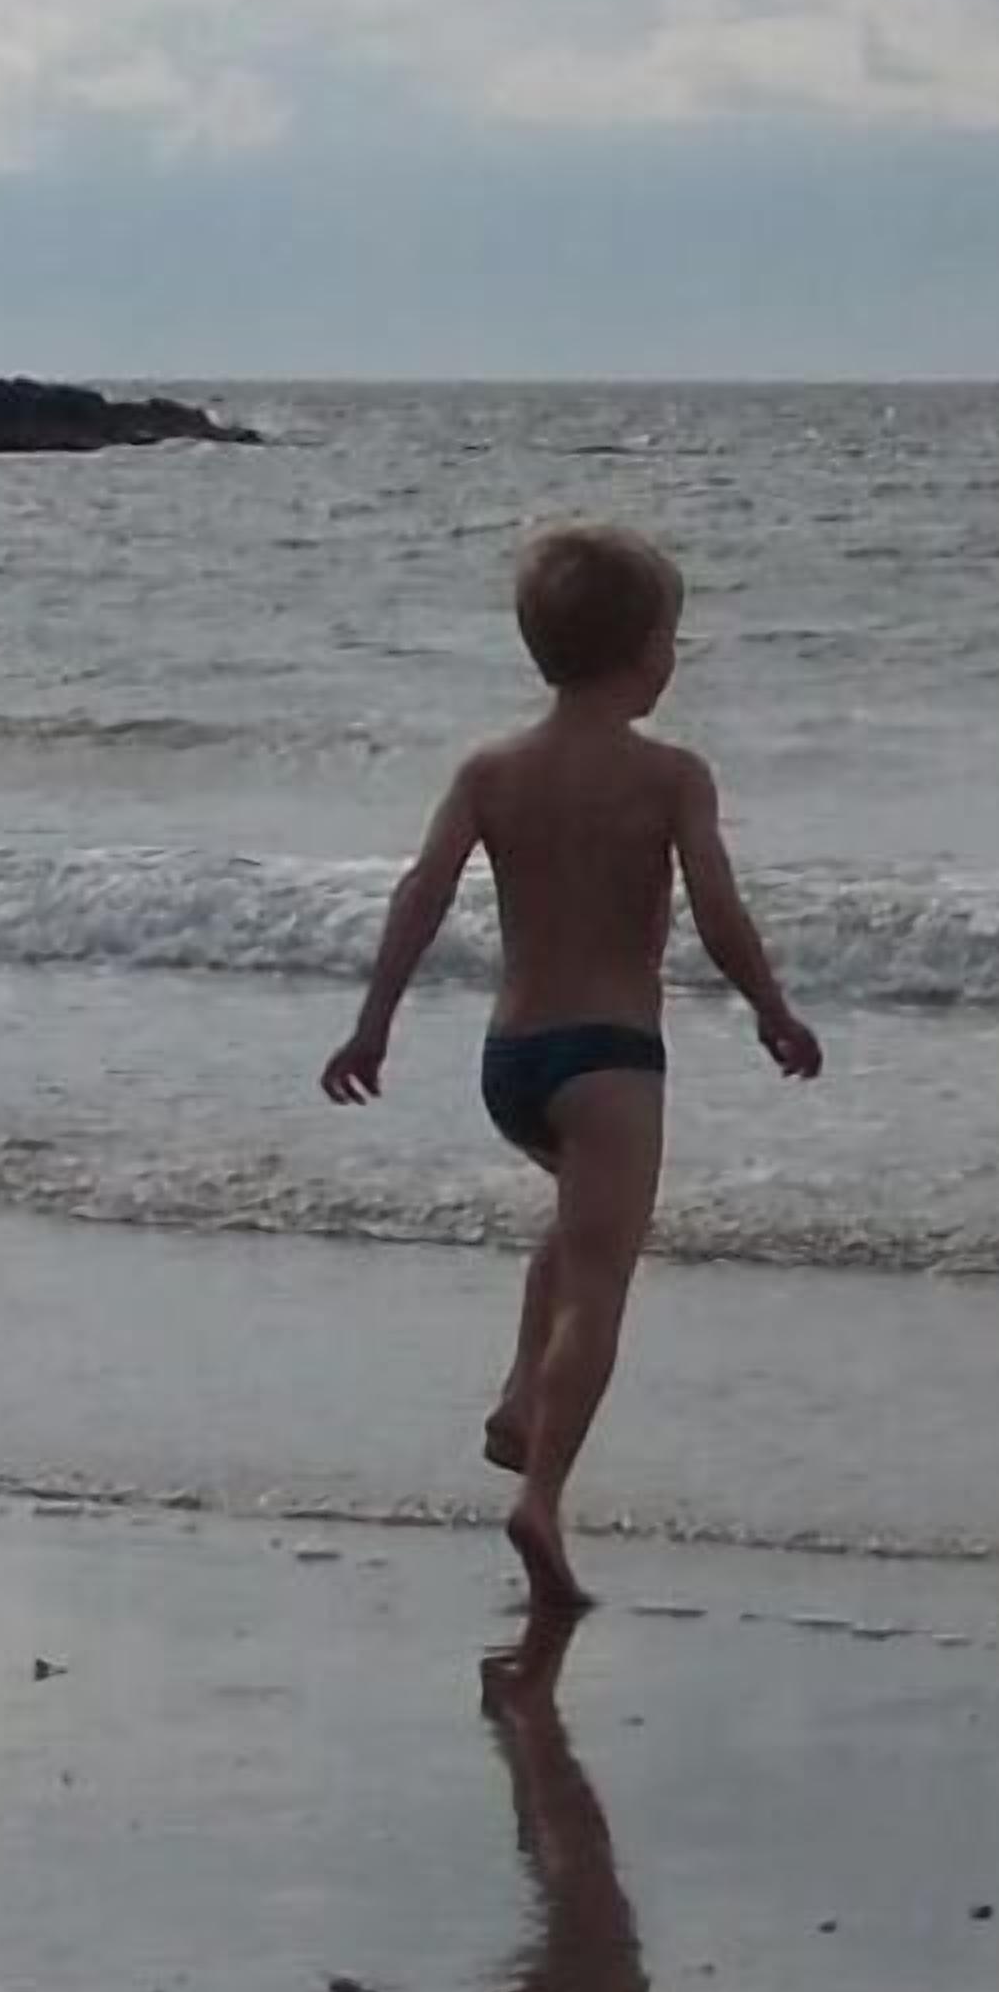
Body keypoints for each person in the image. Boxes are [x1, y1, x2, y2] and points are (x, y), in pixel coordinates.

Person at [323, 519, 821, 1639]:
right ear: (645, 652)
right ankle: (543, 1501)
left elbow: (421, 893)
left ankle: (515, 1393)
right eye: (673, 635)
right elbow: (720, 911)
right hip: (611, 1062)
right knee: (601, 1280)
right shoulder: (671, 775)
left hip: (513, 1063)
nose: (676, 653)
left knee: (577, 1228)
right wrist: (772, 1011)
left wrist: (374, 1025)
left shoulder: (492, 770)